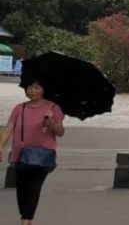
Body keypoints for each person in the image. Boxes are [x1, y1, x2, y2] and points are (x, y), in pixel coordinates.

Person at [0, 77, 66, 225]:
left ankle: (26, 220)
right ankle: (27, 217)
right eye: (29, 87)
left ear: (43, 89)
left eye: (37, 87)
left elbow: (60, 132)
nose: (33, 90)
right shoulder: (19, 108)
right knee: (22, 191)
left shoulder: (53, 108)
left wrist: (51, 123)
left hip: (43, 155)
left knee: (34, 187)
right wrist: (0, 145)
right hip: (21, 155)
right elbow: (9, 128)